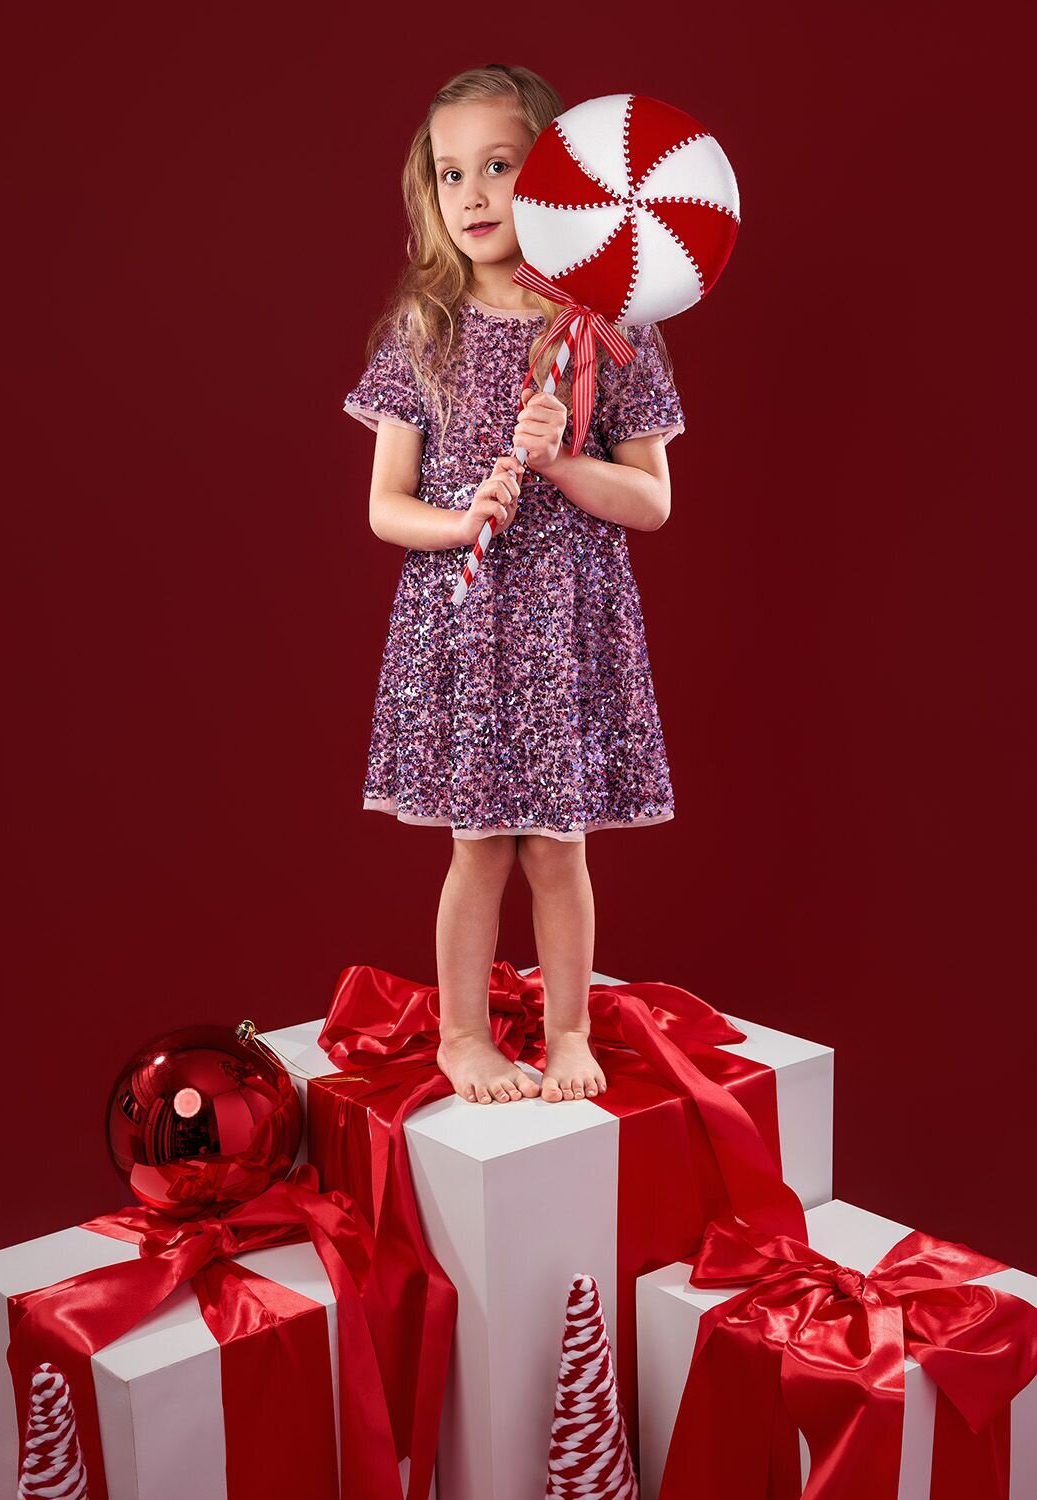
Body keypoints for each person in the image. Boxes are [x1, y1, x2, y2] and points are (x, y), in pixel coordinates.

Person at [344, 64, 685, 1107]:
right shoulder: (425, 327)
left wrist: (562, 465)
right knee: (480, 845)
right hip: (468, 624)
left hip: (566, 621)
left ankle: (570, 1024)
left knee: (558, 846)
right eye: (452, 174)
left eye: (499, 166)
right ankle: (462, 1035)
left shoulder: (605, 323)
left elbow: (653, 502)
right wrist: (463, 521)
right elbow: (385, 506)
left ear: (553, 182)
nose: (475, 194)